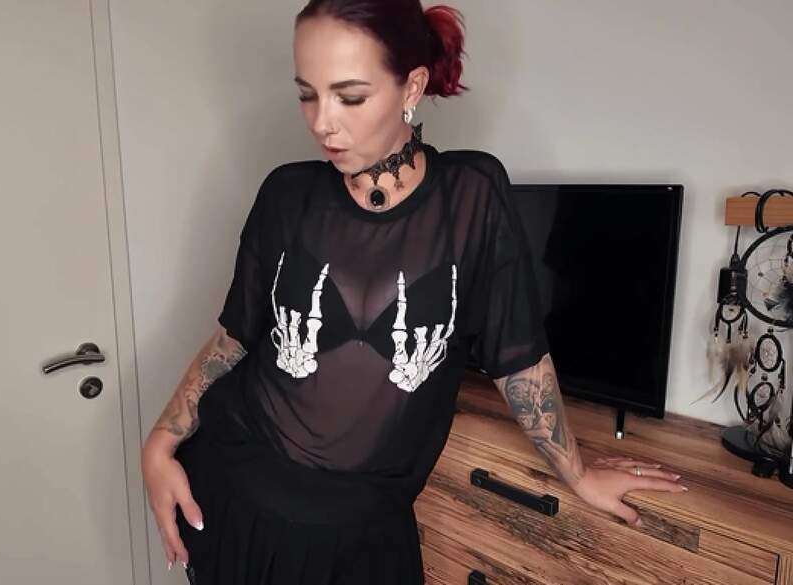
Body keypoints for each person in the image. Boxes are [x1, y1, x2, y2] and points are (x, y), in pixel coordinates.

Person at [140, 1, 688, 583]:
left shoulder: (471, 195)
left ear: (413, 86)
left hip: (363, 532)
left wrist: (580, 475)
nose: (322, 122)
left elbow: (518, 358)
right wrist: (159, 443)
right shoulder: (285, 195)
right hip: (235, 494)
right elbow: (235, 338)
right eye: (307, 94)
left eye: (350, 96)